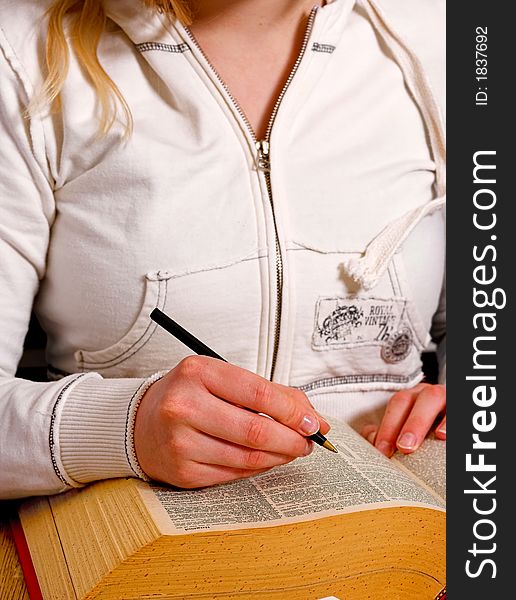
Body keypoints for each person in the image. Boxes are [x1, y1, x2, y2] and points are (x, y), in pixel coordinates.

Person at [0, 0, 446, 500]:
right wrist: (126, 429)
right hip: (141, 559)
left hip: (402, 549)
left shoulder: (456, 41)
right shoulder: (18, 53)